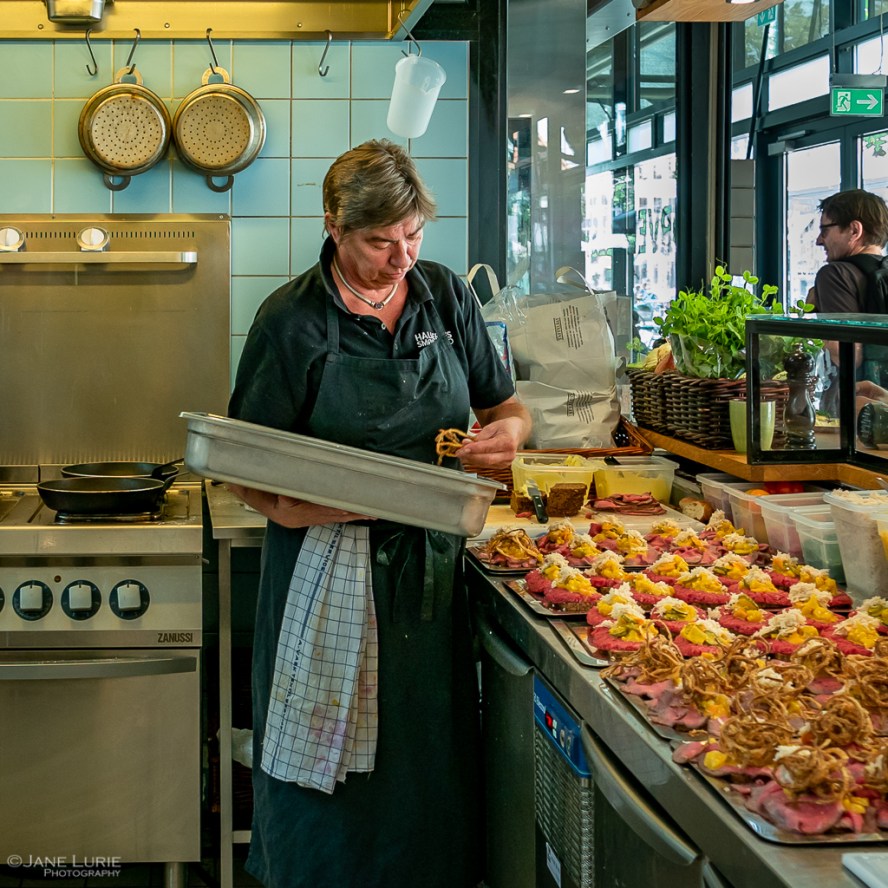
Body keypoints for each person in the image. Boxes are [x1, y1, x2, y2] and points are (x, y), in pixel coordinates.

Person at [226, 139, 532, 888]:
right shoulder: (290, 320)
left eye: (412, 236)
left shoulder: (443, 295)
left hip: (429, 571)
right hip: (324, 564)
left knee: (424, 759)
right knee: (324, 761)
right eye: (379, 243)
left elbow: (508, 407)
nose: (402, 259)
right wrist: (289, 511)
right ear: (333, 226)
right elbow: (240, 465)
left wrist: (508, 437)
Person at [807, 189, 888, 413]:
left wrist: (811, 314)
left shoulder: (835, 275)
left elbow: (847, 355)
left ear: (854, 230)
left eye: (825, 230)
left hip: (855, 406)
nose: (819, 241)